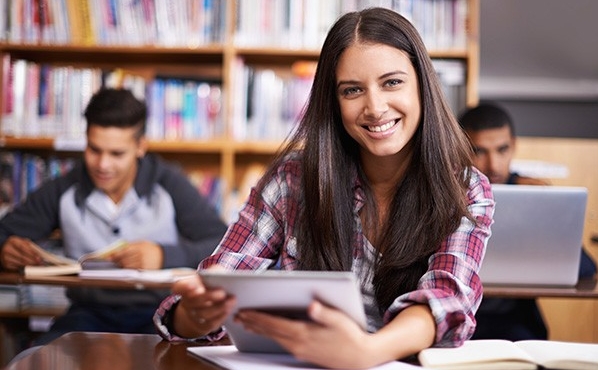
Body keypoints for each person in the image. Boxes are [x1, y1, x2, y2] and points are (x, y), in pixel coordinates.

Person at [153, 8, 494, 369]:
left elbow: (446, 297)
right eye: (352, 90)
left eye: (392, 82)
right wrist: (197, 313)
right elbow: (217, 283)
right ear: (333, 102)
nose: (375, 108)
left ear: (423, 87)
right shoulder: (292, 180)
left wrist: (366, 352)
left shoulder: (466, 188)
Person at [0, 88, 228, 345]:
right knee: (32, 360)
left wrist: (164, 255)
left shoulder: (169, 183)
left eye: (116, 154)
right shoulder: (65, 187)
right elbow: (4, 231)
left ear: (140, 147)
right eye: (94, 150)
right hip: (86, 315)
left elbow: (222, 244)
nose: (103, 165)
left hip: (161, 316)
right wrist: (4, 249)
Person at [459, 102, 597, 341]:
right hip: (459, 317)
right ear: (459, 148)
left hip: (517, 323)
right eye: (479, 151)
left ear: (513, 146)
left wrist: (549, 210)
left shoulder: (533, 193)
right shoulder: (446, 195)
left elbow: (584, 268)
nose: (494, 165)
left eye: (502, 149)